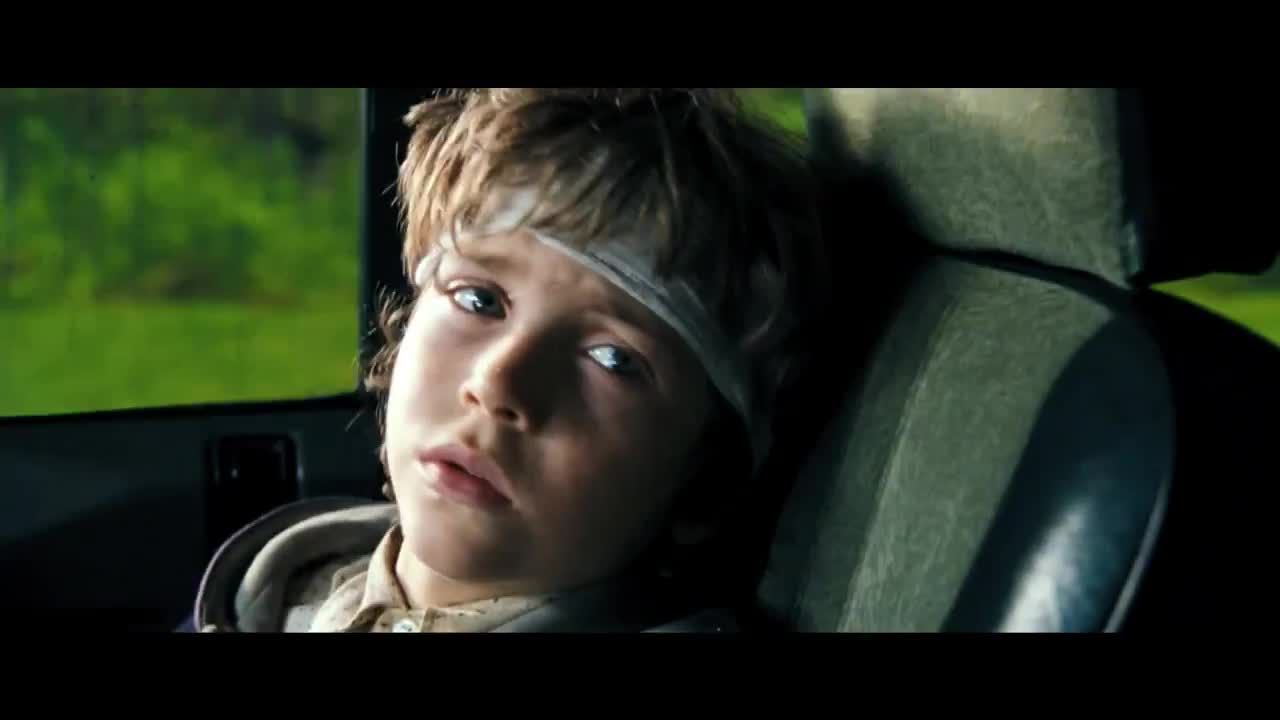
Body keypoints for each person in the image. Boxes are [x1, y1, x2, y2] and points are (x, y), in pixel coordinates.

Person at [190, 88, 831, 632]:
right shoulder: (274, 594)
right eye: (479, 300)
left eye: (612, 358)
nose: (498, 382)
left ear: (705, 485)